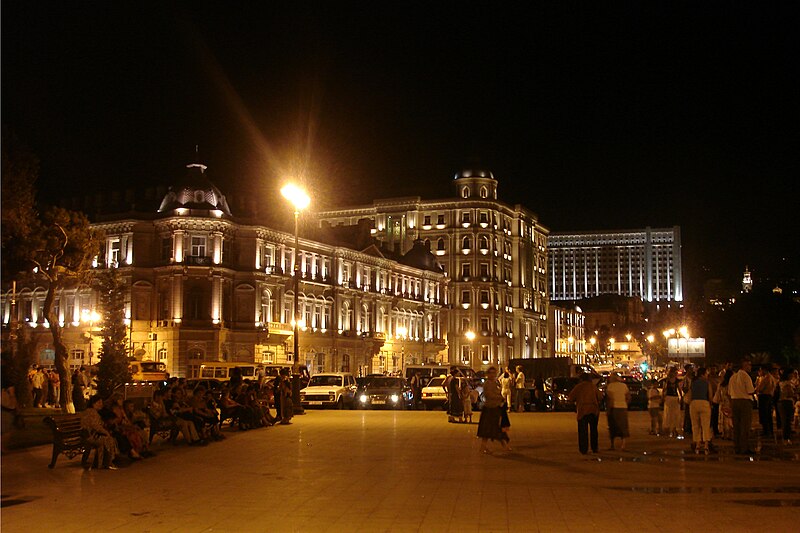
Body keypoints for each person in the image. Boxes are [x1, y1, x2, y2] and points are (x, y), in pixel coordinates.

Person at [567, 372, 603, 454]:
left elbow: (570, 398)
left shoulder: (578, 387)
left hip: (582, 410)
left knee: (583, 431)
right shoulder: (593, 387)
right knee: (594, 430)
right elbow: (600, 397)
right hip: (594, 410)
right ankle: (594, 448)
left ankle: (583, 449)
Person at [477, 366, 510, 453]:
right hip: (490, 409)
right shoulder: (488, 383)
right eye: (490, 373)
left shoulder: (494, 383)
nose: (492, 375)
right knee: (492, 428)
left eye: (494, 373)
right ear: (487, 374)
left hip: (494, 408)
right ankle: (504, 445)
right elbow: (489, 395)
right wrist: (500, 397)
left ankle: (483, 447)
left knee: (491, 429)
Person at [80, 395, 118, 469]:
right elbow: (96, 426)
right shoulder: (91, 412)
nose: (101, 404)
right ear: (93, 403)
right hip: (89, 436)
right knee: (108, 440)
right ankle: (106, 462)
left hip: (91, 434)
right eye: (98, 402)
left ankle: (105, 462)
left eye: (101, 402)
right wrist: (106, 432)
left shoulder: (94, 412)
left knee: (109, 439)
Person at [729, 358, 756, 454]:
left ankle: (737, 447)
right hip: (744, 401)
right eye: (749, 365)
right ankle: (744, 448)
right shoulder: (746, 376)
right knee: (745, 426)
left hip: (734, 401)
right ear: (744, 366)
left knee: (736, 426)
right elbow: (750, 391)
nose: (750, 367)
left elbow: (729, 392)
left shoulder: (733, 377)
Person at [689, 367, 714, 454]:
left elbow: (690, 394)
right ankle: (706, 445)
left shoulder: (693, 383)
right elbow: (710, 396)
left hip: (694, 403)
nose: (707, 375)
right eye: (706, 374)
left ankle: (697, 444)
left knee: (695, 425)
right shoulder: (707, 383)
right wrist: (710, 404)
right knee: (705, 425)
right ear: (703, 374)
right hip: (704, 403)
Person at [605, 373, 631, 451]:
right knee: (623, 426)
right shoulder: (624, 386)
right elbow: (629, 397)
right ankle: (623, 445)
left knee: (613, 426)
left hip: (614, 408)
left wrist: (608, 410)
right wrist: (625, 403)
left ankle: (612, 445)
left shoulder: (610, 386)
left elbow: (610, 399)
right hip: (623, 408)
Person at [713, 369, 735, 440]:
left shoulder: (721, 384)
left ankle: (724, 434)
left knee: (723, 419)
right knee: (730, 419)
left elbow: (718, 394)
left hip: (722, 403)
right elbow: (730, 394)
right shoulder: (732, 384)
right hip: (729, 402)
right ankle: (730, 435)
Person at [755, 366, 776, 437]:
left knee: (764, 415)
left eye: (761, 370)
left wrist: (756, 388)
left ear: (764, 370)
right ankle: (770, 431)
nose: (760, 372)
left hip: (764, 397)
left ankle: (766, 431)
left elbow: (760, 389)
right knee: (768, 415)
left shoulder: (766, 378)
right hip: (769, 397)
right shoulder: (772, 378)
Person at [777, 368, 795, 444]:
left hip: (781, 402)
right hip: (786, 402)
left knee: (785, 421)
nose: (793, 375)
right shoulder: (787, 384)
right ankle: (786, 438)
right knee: (787, 421)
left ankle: (786, 437)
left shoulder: (780, 383)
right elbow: (789, 394)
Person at [708, 365, 720, 437]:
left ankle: (715, 430)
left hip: (715, 399)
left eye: (714, 369)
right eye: (711, 369)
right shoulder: (708, 378)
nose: (713, 371)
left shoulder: (718, 378)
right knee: (710, 416)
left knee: (715, 415)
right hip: (709, 398)